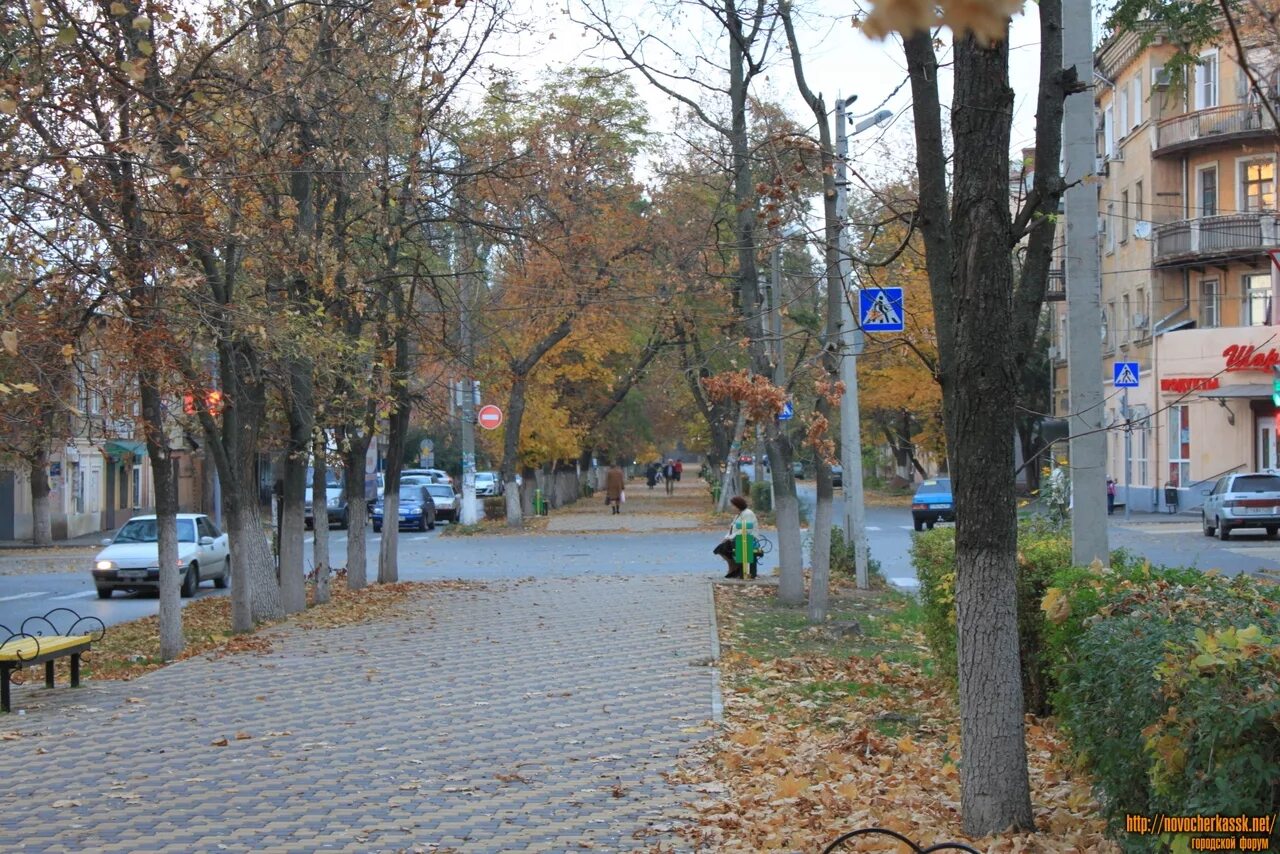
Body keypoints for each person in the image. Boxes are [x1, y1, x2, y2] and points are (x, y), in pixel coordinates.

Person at [713, 495, 760, 579]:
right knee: (719, 549)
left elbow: (746, 530)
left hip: (749, 540)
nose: (731, 507)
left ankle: (736, 569)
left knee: (726, 548)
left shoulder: (748, 513)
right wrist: (726, 537)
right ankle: (734, 567)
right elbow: (732, 529)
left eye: (732, 505)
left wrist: (730, 538)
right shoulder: (738, 515)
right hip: (738, 539)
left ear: (738, 505)